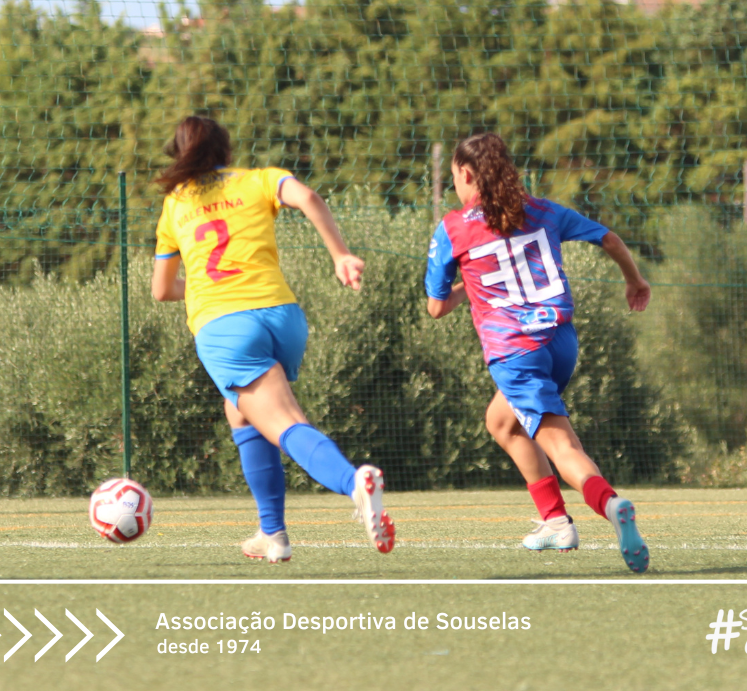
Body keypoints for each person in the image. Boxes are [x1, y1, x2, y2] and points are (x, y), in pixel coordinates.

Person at [151, 115, 395, 563]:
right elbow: (309, 197)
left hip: (225, 326)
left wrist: (205, 286)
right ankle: (273, 535)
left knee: (283, 421)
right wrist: (340, 255)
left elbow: (162, 289)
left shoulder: (174, 204)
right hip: (283, 317)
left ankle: (352, 483)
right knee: (241, 412)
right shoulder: (258, 179)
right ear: (225, 151)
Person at [424, 133, 651, 573]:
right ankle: (555, 521)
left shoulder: (452, 228)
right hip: (560, 341)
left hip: (515, 351)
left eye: (454, 177)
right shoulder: (541, 210)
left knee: (562, 444)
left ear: (466, 175)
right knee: (501, 421)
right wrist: (634, 281)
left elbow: (436, 307)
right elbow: (608, 239)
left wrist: (471, 286)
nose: (455, 185)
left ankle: (611, 503)